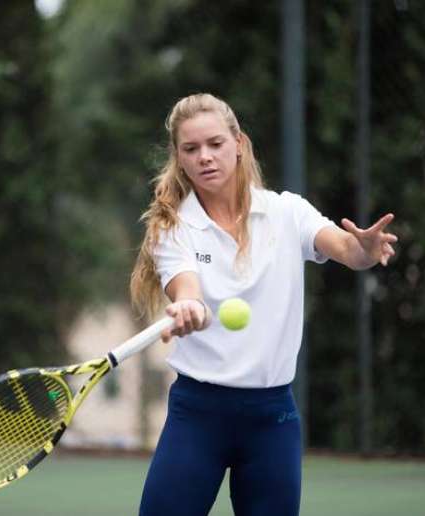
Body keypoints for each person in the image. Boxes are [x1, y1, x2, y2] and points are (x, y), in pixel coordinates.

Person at [129, 93, 397, 516]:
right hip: (198, 415)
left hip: (271, 419)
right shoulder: (172, 228)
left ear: (240, 144)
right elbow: (187, 288)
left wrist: (365, 249)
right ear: (178, 158)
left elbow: (347, 249)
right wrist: (189, 308)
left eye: (215, 144)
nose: (205, 157)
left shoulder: (287, 212)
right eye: (191, 149)